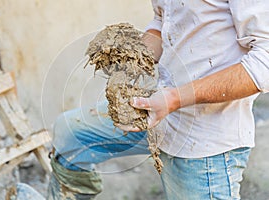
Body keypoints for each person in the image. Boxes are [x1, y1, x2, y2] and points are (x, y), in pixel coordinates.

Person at [47, 0, 269, 199]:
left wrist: (174, 98)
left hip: (205, 143)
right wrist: (132, 57)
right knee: (71, 135)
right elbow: (165, 20)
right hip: (160, 109)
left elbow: (265, 62)